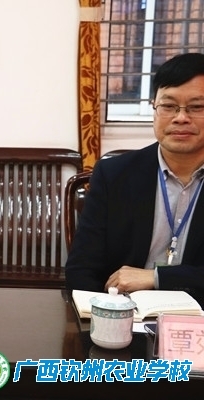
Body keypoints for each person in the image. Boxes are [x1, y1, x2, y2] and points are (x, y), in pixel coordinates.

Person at [66, 52, 204, 300]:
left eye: (197, 107)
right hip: (123, 312)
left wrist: (157, 277)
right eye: (168, 106)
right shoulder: (113, 175)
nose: (181, 118)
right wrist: (107, 314)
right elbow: (81, 269)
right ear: (154, 108)